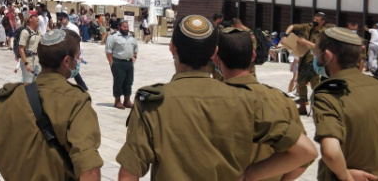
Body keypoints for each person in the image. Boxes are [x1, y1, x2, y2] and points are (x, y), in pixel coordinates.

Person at [117, 15, 317, 180]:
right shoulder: (245, 100)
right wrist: (250, 175)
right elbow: (306, 152)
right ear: (214, 52)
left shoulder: (153, 103)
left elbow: (128, 175)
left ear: (172, 48)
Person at [0, 29, 103, 180]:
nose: (77, 62)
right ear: (66, 61)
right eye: (76, 58)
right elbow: (89, 171)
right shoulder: (76, 101)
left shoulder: (8, 99)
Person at [217, 28, 310, 180]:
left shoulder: (211, 101)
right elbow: (304, 158)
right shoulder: (282, 100)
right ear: (253, 56)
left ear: (216, 59)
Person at [313, 27, 378, 180]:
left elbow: (331, 152)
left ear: (327, 55)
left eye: (316, 53)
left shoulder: (328, 95)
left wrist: (346, 176)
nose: (315, 57)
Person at [285, 12, 326, 115]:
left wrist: (305, 42)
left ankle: (317, 107)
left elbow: (320, 48)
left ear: (322, 22)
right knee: (301, 84)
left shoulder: (323, 33)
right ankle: (302, 107)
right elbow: (292, 26)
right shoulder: (308, 27)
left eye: (317, 20)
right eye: (314, 19)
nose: (315, 21)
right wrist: (286, 35)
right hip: (303, 61)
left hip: (315, 63)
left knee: (315, 85)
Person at [105, 20, 137, 109]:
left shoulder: (131, 36)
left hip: (129, 63)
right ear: (119, 27)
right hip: (118, 62)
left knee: (129, 82)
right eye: (124, 27)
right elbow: (108, 50)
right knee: (118, 82)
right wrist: (111, 62)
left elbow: (135, 47)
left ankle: (127, 101)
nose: (126, 28)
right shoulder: (113, 37)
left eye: (127, 27)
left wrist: (134, 57)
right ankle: (117, 101)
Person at [57, 12, 88, 90]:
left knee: (73, 70)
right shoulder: (62, 28)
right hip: (65, 51)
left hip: (73, 51)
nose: (60, 21)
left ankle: (83, 87)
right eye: (58, 19)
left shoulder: (73, 28)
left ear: (66, 18)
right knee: (67, 69)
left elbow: (78, 41)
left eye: (61, 19)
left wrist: (79, 55)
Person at [18, 13, 41, 84]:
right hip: (28, 61)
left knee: (37, 83)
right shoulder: (25, 32)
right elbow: (21, 49)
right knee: (27, 83)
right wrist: (26, 63)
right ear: (30, 19)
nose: (38, 18)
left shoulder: (38, 32)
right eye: (36, 16)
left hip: (37, 61)